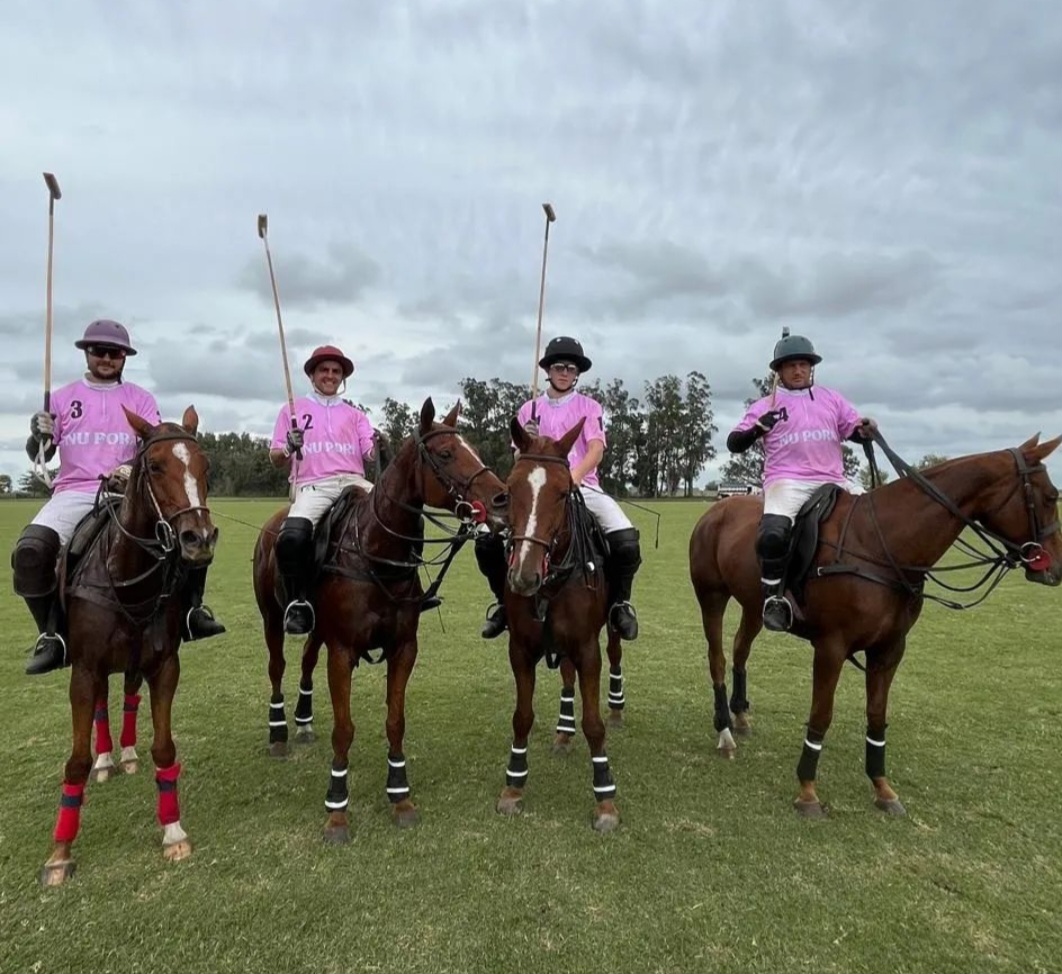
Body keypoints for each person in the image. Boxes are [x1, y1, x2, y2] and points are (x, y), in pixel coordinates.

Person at [12, 319, 226, 676]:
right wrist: (38, 434)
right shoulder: (62, 398)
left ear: (125, 357)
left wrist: (128, 469)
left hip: (129, 493)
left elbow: (156, 446)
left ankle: (191, 612)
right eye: (100, 351)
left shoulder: (140, 399)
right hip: (74, 491)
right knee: (31, 551)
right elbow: (42, 454)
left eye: (115, 352)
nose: (107, 357)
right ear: (87, 353)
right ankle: (51, 635)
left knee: (188, 535)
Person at [475, 336, 642, 641]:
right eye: (558, 367)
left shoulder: (589, 407)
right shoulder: (529, 410)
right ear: (548, 371)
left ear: (577, 373)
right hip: (534, 492)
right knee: (485, 541)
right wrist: (525, 440)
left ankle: (619, 604)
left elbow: (596, 450)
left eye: (570, 368)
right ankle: (503, 603)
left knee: (627, 540)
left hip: (581, 484)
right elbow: (519, 457)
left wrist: (573, 476)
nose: (564, 372)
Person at [726, 332, 877, 632]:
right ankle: (773, 598)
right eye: (791, 365)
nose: (798, 371)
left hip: (833, 479)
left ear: (812, 368)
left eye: (803, 365)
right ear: (779, 372)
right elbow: (734, 443)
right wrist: (757, 429)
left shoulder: (831, 399)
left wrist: (866, 429)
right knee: (772, 534)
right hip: (787, 480)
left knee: (876, 516)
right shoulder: (766, 404)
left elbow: (853, 430)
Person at [269, 345, 377, 635]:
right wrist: (289, 446)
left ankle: (408, 590)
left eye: (336, 371)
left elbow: (369, 452)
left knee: (395, 514)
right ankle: (298, 602)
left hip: (354, 481)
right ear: (313, 374)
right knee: (292, 536)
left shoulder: (356, 416)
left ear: (342, 378)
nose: (330, 376)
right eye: (324, 370)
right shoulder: (292, 410)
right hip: (313, 484)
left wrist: (377, 446)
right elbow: (275, 457)